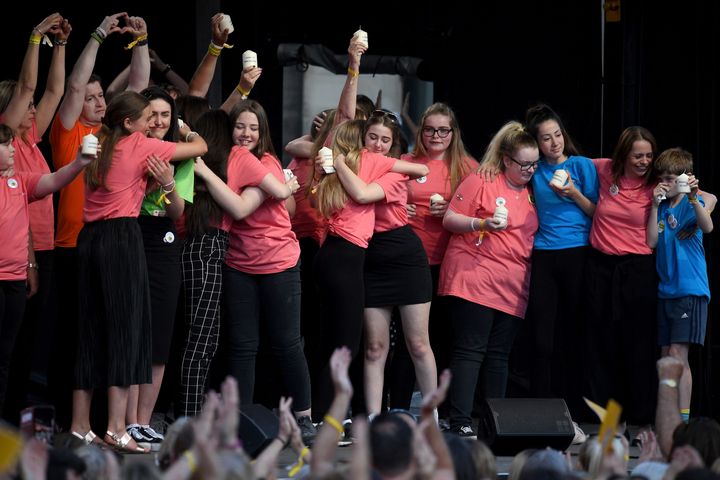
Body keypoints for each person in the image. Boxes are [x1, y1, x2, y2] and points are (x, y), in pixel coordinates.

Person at [73, 90, 207, 454]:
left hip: (89, 240)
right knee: (126, 332)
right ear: (129, 122)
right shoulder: (140, 145)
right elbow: (200, 149)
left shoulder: (100, 143)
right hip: (121, 237)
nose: (154, 123)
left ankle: (80, 426)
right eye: (147, 117)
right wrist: (186, 130)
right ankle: (117, 429)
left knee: (90, 331)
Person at [48, 11, 149, 432]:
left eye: (101, 97)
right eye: (92, 98)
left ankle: (101, 427)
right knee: (79, 341)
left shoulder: (114, 136)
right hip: (73, 247)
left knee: (111, 337)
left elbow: (139, 90)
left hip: (108, 245)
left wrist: (140, 41)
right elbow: (72, 86)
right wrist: (98, 35)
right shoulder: (68, 131)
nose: (98, 102)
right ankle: (75, 426)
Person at [211, 99, 318, 442]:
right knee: (242, 346)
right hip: (238, 263)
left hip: (278, 262)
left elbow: (281, 205)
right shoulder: (226, 161)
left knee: (287, 344)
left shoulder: (268, 161)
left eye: (253, 128)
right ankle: (240, 422)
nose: (246, 134)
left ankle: (304, 417)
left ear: (263, 132)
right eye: (240, 126)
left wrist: (268, 186)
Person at [311, 119, 428, 419]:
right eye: (372, 137)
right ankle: (329, 418)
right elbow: (363, 192)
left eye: (385, 140)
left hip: (353, 255)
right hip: (349, 255)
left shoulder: (362, 163)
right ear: (360, 139)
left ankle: (329, 416)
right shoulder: (355, 161)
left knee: (339, 341)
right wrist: (339, 161)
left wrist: (340, 162)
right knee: (348, 344)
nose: (377, 144)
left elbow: (419, 170)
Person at [440, 121, 539, 437]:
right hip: (475, 276)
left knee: (499, 355)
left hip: (513, 284)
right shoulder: (481, 179)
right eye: (524, 164)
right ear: (508, 160)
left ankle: (495, 421)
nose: (530, 170)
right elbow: (450, 219)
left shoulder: (533, 191)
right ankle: (461, 420)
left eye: (534, 164)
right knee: (472, 349)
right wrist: (481, 222)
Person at [0, 12, 67, 422]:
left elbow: (54, 91)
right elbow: (29, 86)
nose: (32, 109)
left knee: (27, 344)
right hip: (21, 257)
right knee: (10, 348)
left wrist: (59, 45)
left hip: (45, 248)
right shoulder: (5, 138)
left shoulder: (31, 138)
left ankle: (14, 421)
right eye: (23, 107)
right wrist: (36, 38)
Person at [0, 124, 93, 416]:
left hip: (14, 282)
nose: (13, 149)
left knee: (4, 358)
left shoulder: (19, 181)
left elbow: (53, 180)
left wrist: (79, 163)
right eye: (6, 146)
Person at [124, 85, 195, 451]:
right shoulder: (127, 147)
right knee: (134, 332)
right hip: (130, 236)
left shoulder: (180, 156)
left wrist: (167, 182)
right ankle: (125, 422)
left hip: (164, 241)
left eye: (165, 115)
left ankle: (143, 420)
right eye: (152, 114)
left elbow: (178, 212)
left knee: (161, 335)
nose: (158, 121)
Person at [396, 102, 477, 417]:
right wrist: (400, 209)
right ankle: (399, 410)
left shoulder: (467, 167)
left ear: (453, 132)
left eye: (443, 130)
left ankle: (445, 413)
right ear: (421, 130)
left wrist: (456, 212)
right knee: (409, 341)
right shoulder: (406, 162)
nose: (436, 135)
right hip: (410, 260)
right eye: (430, 129)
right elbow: (382, 200)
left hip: (452, 261)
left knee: (445, 338)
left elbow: (482, 211)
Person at [523, 104, 598, 440]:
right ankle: (540, 412)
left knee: (571, 337)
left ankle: (571, 418)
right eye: (545, 138)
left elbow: (598, 211)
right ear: (536, 142)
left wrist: (572, 192)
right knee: (541, 340)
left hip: (578, 253)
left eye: (557, 135)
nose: (553, 142)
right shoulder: (534, 170)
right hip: (544, 254)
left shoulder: (581, 165)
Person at [585, 126, 660, 428]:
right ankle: (601, 414)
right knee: (600, 341)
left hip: (638, 271)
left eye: (649, 156)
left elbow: (706, 196)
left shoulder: (657, 182)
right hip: (601, 268)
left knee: (638, 344)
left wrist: (696, 194)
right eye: (638, 156)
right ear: (623, 155)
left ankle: (640, 414)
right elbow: (568, 164)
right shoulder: (605, 170)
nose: (644, 161)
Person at [646, 148, 712, 424]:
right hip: (666, 291)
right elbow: (651, 242)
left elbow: (707, 226)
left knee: (677, 355)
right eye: (662, 178)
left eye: (672, 178)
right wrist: (652, 205)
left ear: (684, 178)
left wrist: (695, 197)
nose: (666, 183)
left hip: (690, 290)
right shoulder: (661, 207)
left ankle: (682, 421)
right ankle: (668, 417)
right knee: (666, 359)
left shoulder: (692, 203)